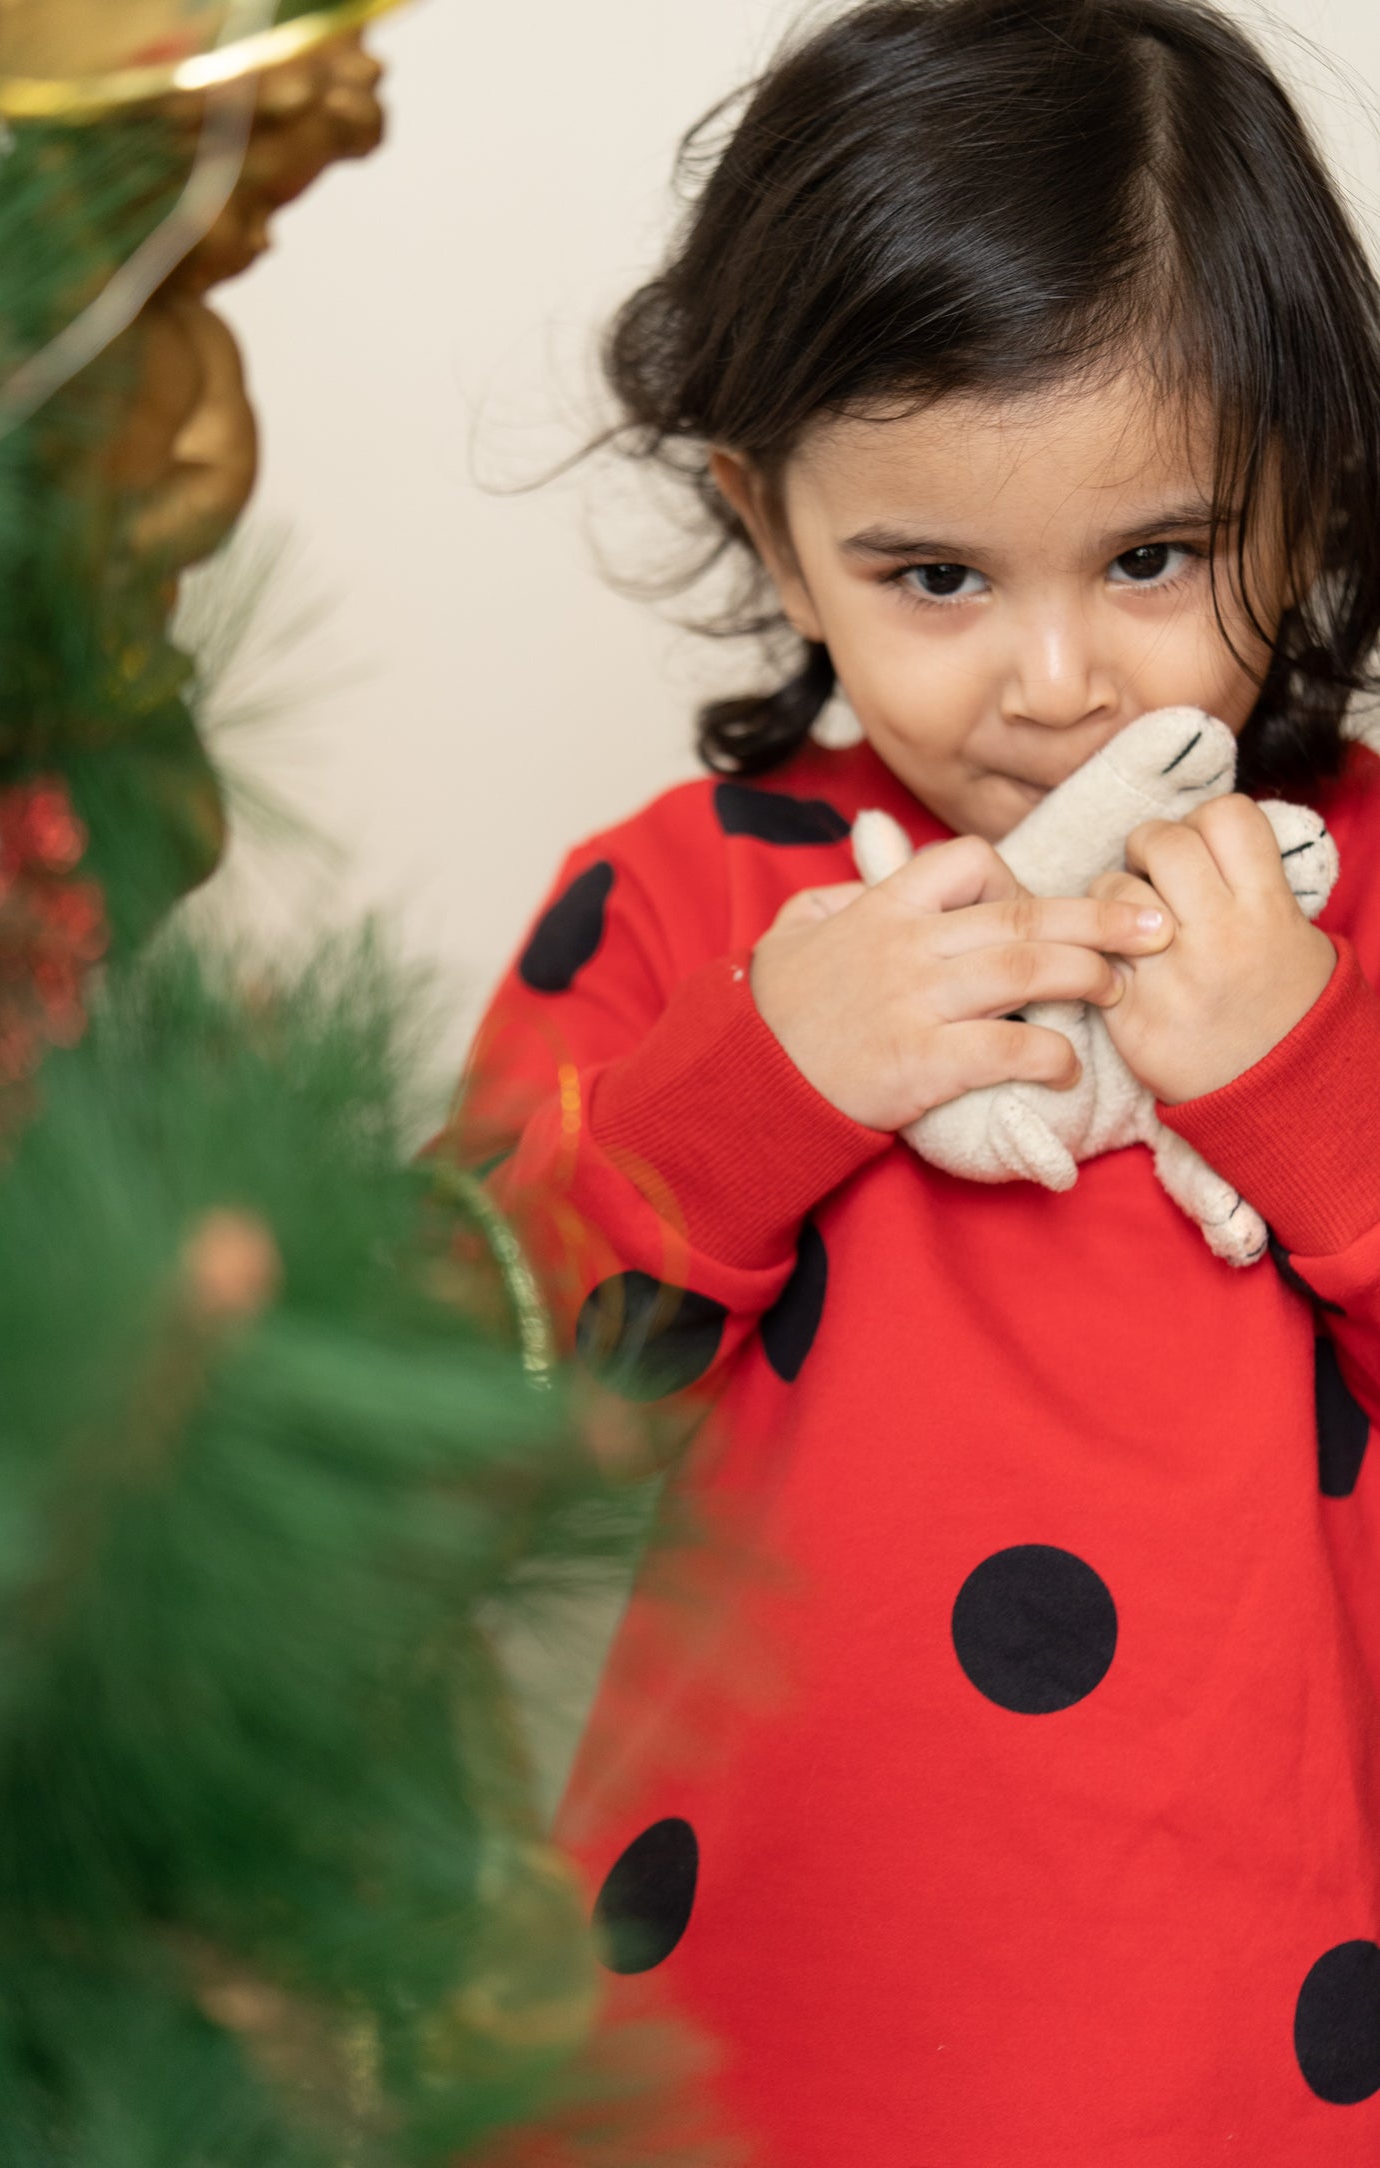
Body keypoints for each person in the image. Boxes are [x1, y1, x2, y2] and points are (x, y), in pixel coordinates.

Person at [450, 1, 1380, 2158]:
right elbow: (438, 1416)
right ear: (773, 533)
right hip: (756, 2039)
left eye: (1153, 557)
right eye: (934, 576)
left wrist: (1308, 1083)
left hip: (1283, 2047)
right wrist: (756, 1087)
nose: (1057, 683)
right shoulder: (682, 906)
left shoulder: (1354, 894)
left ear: (1312, 491)